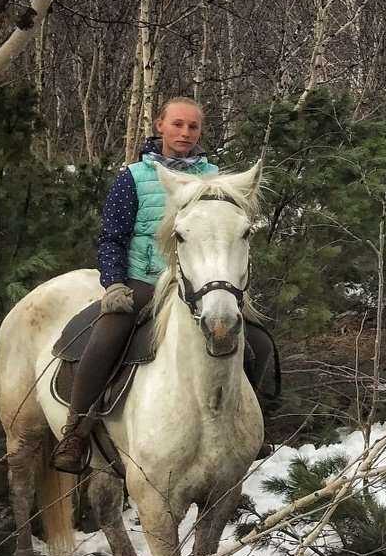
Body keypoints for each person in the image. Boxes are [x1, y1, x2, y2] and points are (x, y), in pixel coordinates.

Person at [52, 97, 275, 473]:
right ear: (160, 126)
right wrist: (114, 285)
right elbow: (112, 238)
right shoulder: (134, 177)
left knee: (258, 343)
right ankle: (76, 430)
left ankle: (250, 426)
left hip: (198, 285)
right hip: (144, 282)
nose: (185, 133)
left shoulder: (216, 179)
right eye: (178, 124)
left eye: (193, 126)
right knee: (107, 336)